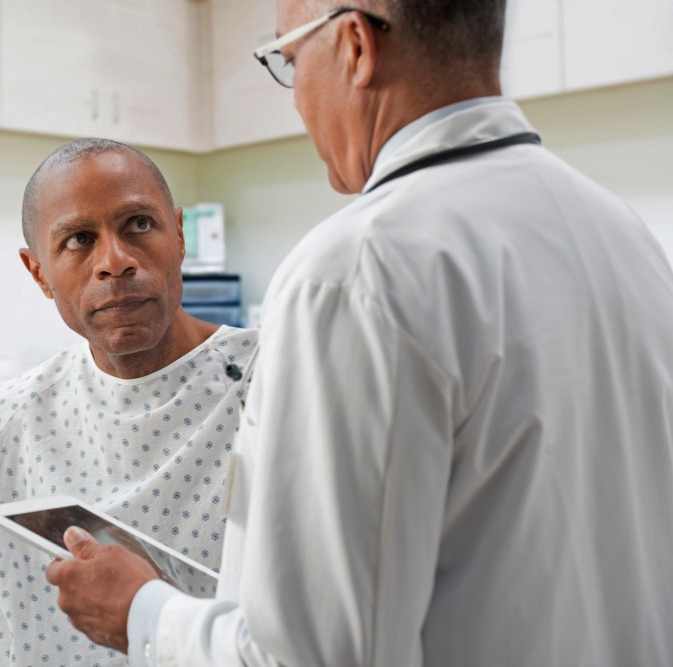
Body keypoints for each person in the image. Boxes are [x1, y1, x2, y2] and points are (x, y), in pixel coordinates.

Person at [45, 1, 673, 665]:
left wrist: (144, 611)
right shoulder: (623, 233)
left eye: (290, 60)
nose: (295, 102)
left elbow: (319, 655)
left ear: (354, 48)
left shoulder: (351, 273)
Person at [0, 138, 257, 666]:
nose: (115, 261)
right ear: (39, 274)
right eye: (79, 239)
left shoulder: (272, 384)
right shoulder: (5, 424)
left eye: (140, 225)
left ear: (180, 235)